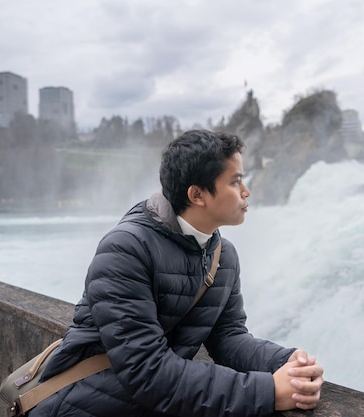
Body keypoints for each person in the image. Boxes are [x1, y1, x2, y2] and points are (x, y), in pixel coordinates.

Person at [29, 129, 324, 417]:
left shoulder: (222, 256)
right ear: (197, 194)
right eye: (235, 182)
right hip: (82, 403)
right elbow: (147, 371)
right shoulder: (125, 249)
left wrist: (287, 362)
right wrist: (267, 391)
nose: (246, 192)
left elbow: (227, 338)